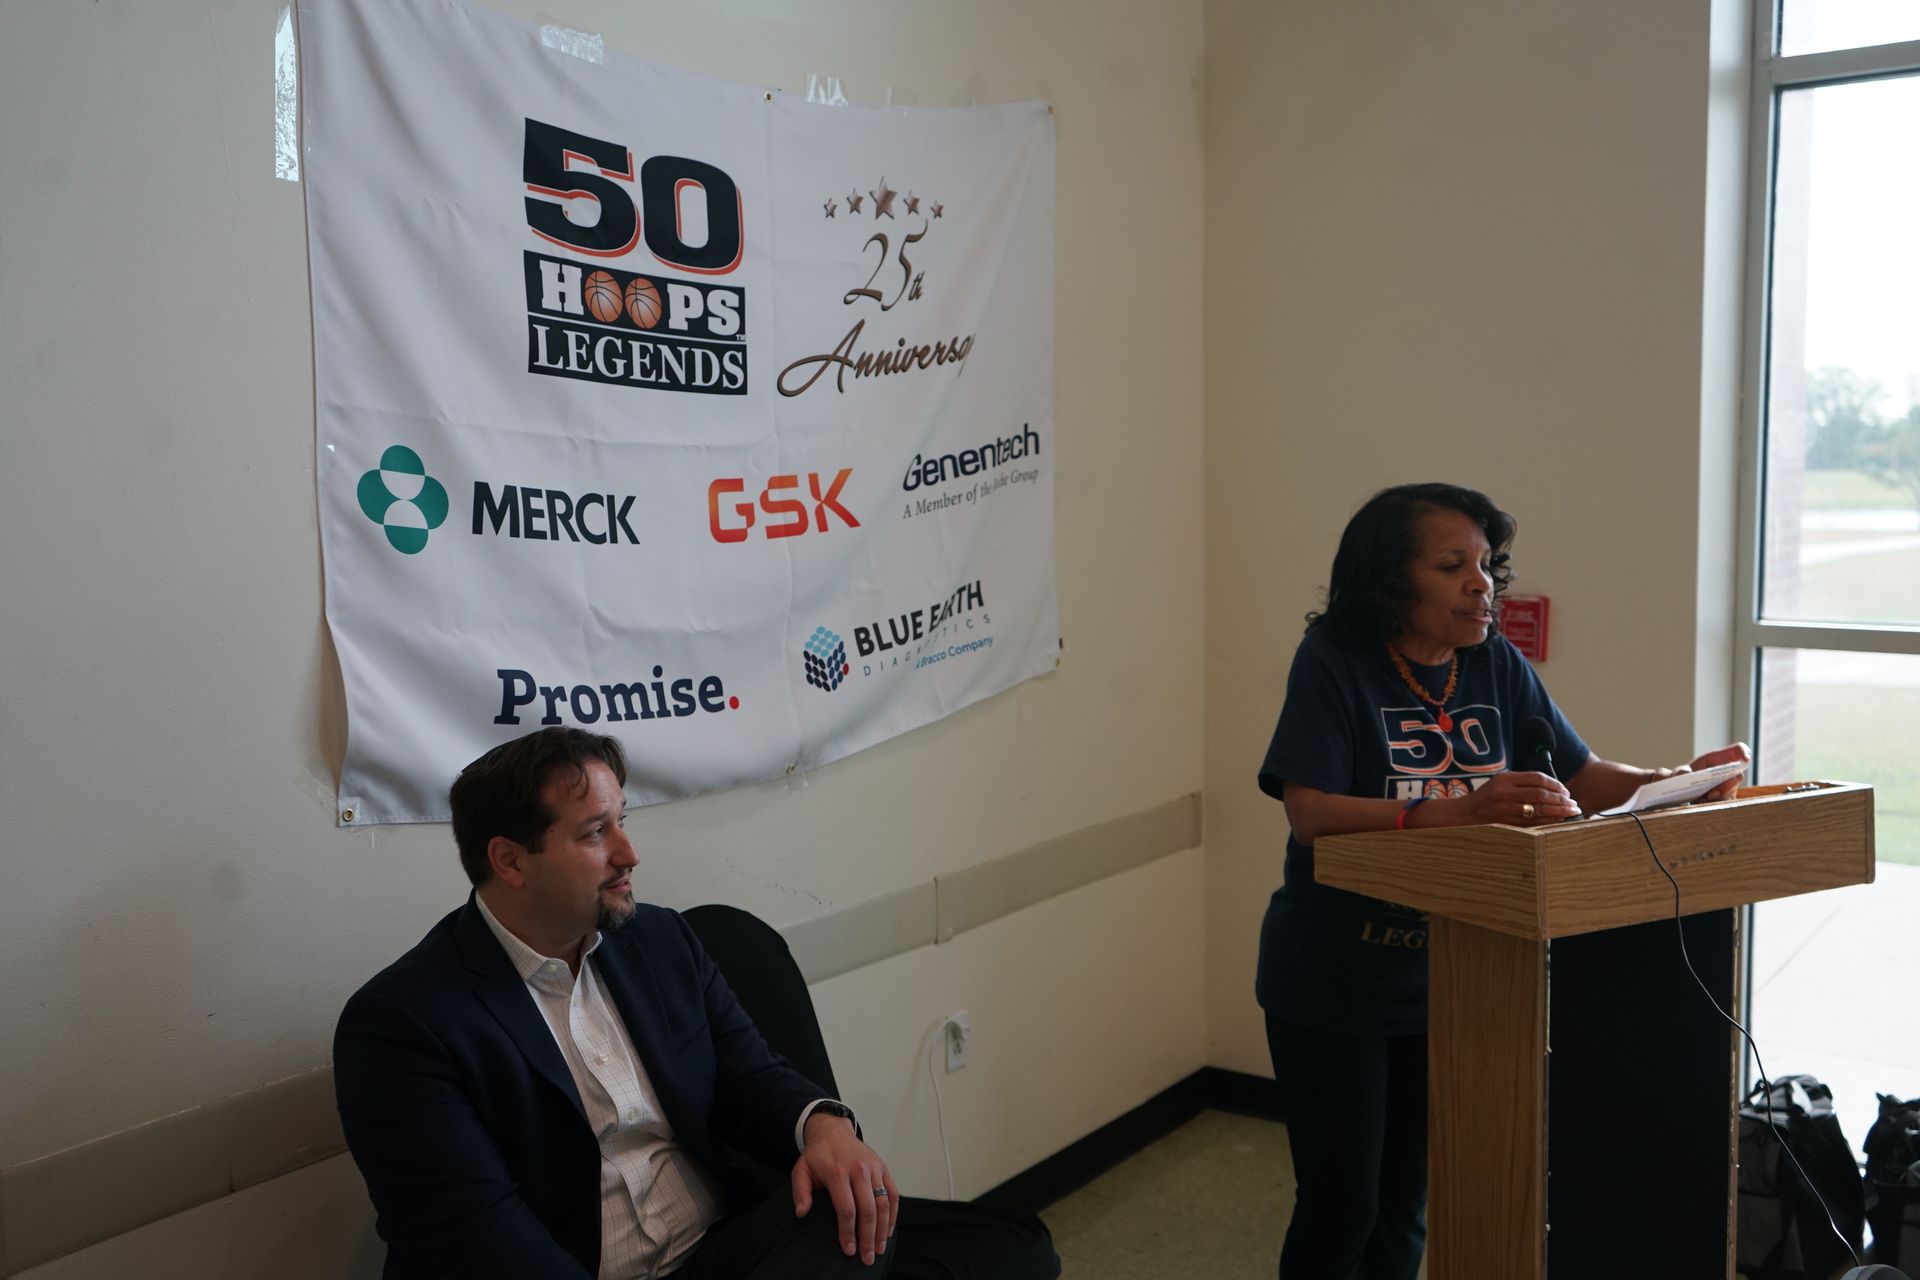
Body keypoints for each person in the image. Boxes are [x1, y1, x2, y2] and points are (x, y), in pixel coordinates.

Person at [334, 726, 1058, 1280]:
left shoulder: (657, 940)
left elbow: (750, 1076)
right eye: (595, 832)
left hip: (725, 1245)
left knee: (1011, 1250)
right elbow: (483, 1242)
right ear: (510, 860)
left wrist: (826, 1127)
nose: (629, 853)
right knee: (849, 1250)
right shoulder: (404, 1024)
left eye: (623, 819)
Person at [1254, 482, 1749, 1280]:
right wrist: (1449, 812)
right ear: (1390, 581)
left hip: (1451, 972)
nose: (1480, 583)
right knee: (1343, 1205)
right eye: (1452, 566)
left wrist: (1678, 779)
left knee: (1404, 1205)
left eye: (1486, 564)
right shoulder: (1334, 662)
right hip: (1333, 974)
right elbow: (1309, 812)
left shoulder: (1496, 665)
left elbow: (1581, 776)